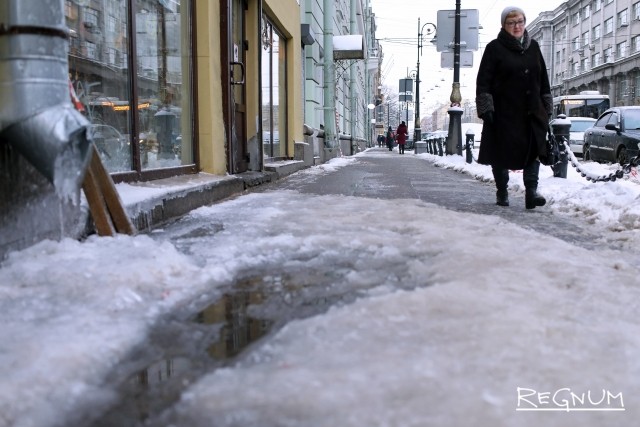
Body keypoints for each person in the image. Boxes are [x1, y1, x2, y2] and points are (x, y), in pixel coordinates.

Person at [475, 6, 552, 209]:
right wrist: (486, 108)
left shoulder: (534, 47)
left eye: (519, 21)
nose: (516, 26)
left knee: (533, 148)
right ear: (504, 25)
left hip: (532, 111)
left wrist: (546, 107)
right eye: (511, 22)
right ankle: (502, 191)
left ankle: (531, 193)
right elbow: (483, 81)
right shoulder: (494, 48)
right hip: (504, 112)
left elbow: (543, 79)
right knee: (501, 152)